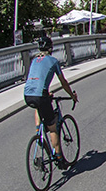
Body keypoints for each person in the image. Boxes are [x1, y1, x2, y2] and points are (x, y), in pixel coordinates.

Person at [23, 35, 78, 169]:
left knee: (38, 107)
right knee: (53, 128)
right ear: (51, 48)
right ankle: (59, 159)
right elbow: (63, 82)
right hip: (41, 96)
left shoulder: (34, 60)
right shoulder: (53, 61)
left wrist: (46, 93)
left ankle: (39, 132)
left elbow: (36, 79)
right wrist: (72, 95)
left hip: (28, 95)